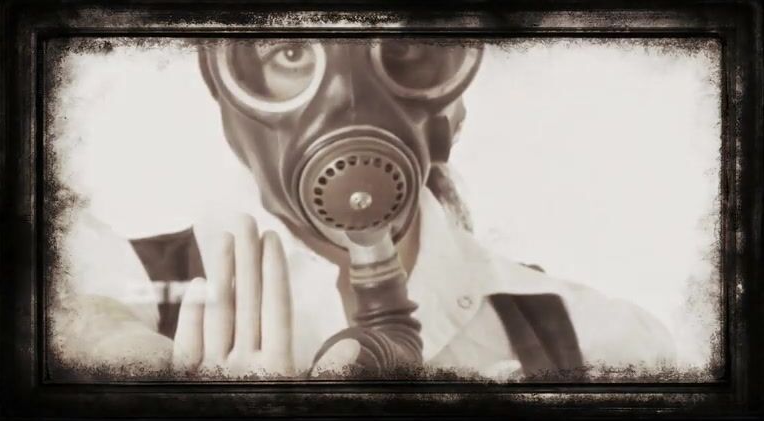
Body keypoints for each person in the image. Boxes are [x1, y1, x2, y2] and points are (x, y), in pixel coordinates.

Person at [54, 39, 675, 380]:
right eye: (290, 51)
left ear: (458, 92)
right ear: (227, 88)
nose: (348, 101)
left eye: (403, 45)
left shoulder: (600, 344)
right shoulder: (121, 301)